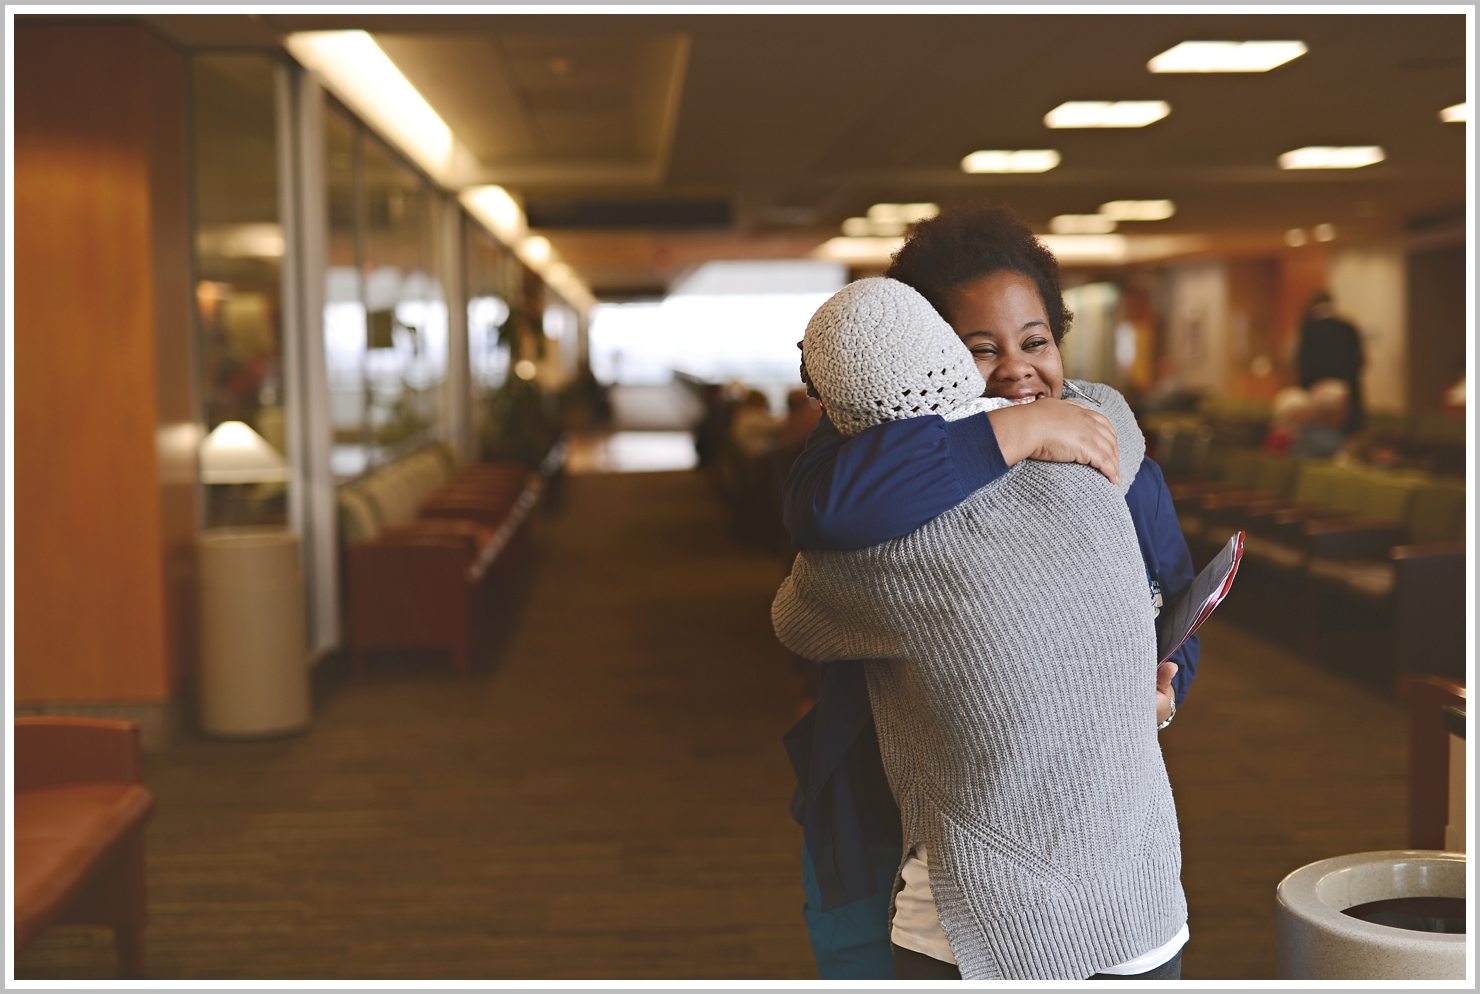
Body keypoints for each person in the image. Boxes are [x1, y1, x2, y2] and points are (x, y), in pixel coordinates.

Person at [780, 203, 1200, 980]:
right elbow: (823, 511)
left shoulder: (1104, 434)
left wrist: (1168, 683)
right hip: (915, 789)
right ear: (929, 354)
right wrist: (1015, 432)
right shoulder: (879, 438)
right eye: (980, 349)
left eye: (1035, 341)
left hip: (1097, 818)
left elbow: (1169, 595)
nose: (1017, 369)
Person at [1295, 290, 1365, 433]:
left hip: (1315, 394)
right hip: (1346, 393)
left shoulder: (1307, 328)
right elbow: (1360, 361)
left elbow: (1299, 362)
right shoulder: (1348, 328)